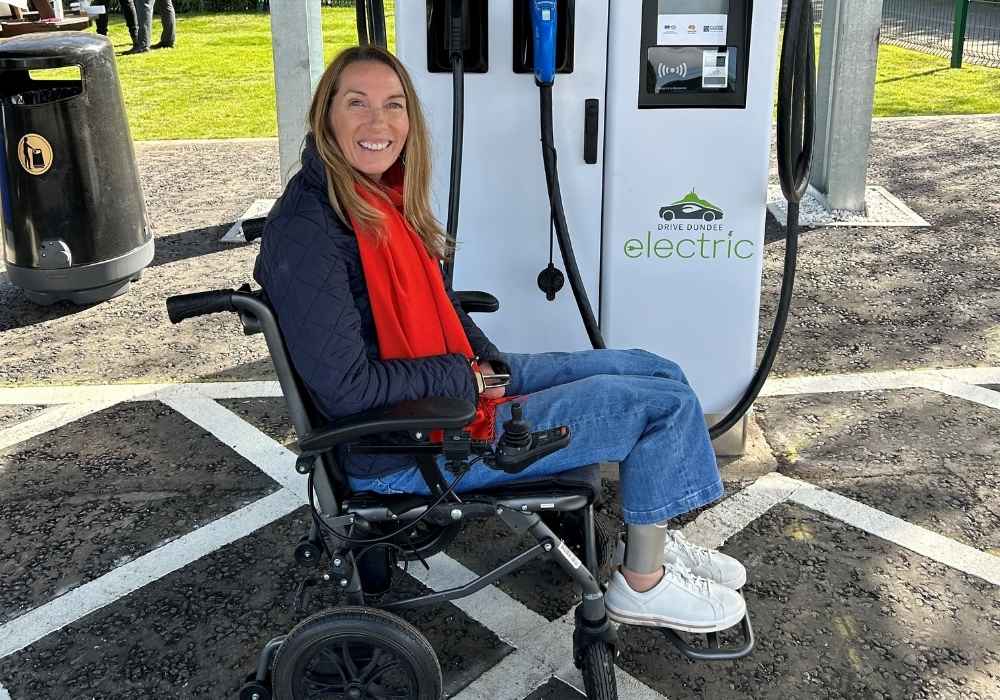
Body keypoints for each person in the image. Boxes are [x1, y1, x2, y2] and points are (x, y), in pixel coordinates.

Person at [254, 46, 749, 634]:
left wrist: (481, 357)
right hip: (409, 446)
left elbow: (437, 307)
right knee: (658, 407)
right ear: (325, 115)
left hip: (442, 392)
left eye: (393, 105)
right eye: (356, 104)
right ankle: (643, 584)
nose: (377, 123)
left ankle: (654, 545)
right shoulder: (310, 230)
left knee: (655, 368)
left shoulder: (372, 199)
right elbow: (346, 387)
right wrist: (463, 378)